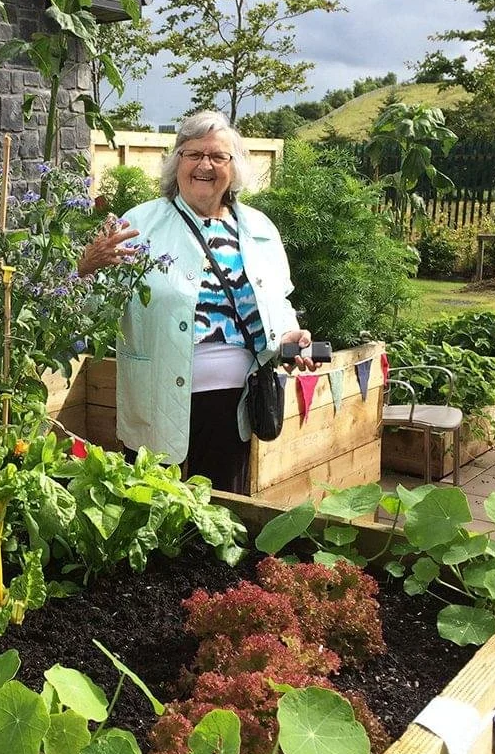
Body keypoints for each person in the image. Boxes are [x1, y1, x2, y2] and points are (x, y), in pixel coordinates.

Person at [78, 111, 316, 494]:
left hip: (234, 400)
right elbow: (91, 309)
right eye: (193, 154)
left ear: (233, 168)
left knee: (219, 513)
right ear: (177, 163)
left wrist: (290, 335)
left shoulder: (258, 228)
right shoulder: (140, 223)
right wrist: (86, 268)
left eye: (218, 156)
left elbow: (279, 299)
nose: (205, 164)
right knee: (150, 507)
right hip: (156, 394)